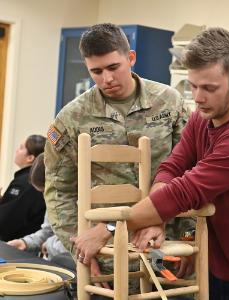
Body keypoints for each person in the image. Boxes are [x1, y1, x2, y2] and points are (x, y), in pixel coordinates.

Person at [73, 27, 229, 300]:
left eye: (209, 88)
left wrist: (109, 228)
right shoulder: (200, 120)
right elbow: (171, 168)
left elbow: (183, 191)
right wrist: (157, 221)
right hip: (218, 270)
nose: (198, 97)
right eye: (193, 86)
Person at [44, 23, 190, 284]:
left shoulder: (169, 101)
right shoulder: (72, 117)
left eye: (113, 68)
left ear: (131, 58)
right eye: (96, 72)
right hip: (108, 252)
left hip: (167, 243)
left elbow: (191, 170)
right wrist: (80, 250)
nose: (106, 79)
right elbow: (59, 191)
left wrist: (190, 237)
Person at [7, 153, 72, 266]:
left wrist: (49, 244)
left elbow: (76, 243)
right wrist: (25, 243)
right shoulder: (53, 201)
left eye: (45, 191)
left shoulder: (80, 203)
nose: (44, 197)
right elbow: (48, 231)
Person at [0, 134, 46, 242]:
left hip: (15, 246)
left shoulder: (25, 182)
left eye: (21, 148)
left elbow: (5, 221)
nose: (17, 151)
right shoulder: (36, 179)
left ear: (30, 158)